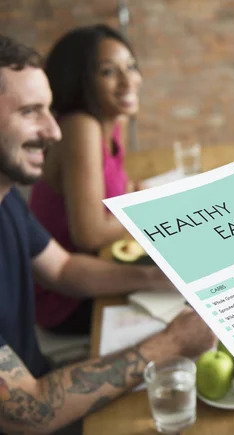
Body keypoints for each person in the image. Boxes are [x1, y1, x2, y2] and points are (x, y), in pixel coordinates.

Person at [0, 34, 215, 433]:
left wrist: (157, 278)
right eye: (31, 112)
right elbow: (26, 413)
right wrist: (171, 344)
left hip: (45, 378)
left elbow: (62, 268)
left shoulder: (6, 196)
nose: (54, 131)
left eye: (49, 109)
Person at [29, 25, 142, 334]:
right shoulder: (81, 126)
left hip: (99, 270)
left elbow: (121, 191)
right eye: (108, 72)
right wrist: (143, 209)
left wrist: (137, 199)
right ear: (81, 81)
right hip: (67, 297)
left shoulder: (110, 121)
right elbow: (90, 235)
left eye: (131, 67)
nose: (128, 81)